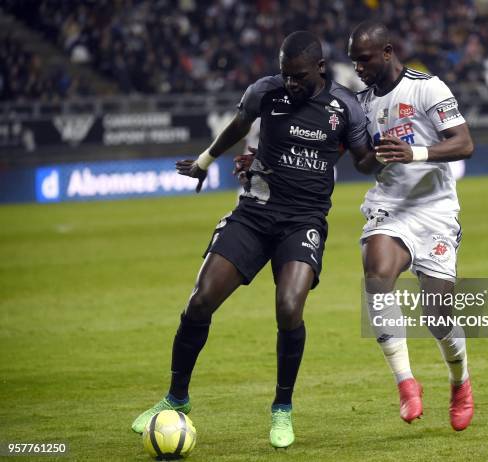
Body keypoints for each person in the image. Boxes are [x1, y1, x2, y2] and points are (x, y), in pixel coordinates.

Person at [130, 31, 379, 448]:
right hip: (254, 214)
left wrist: (385, 153)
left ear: (319, 68)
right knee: (200, 300)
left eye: (298, 76)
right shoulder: (265, 92)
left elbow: (363, 161)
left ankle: (282, 408)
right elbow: (239, 124)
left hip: (303, 221)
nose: (291, 83)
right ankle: (176, 397)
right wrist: (206, 160)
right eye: (285, 74)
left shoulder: (345, 107)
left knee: (288, 308)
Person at [347, 21, 475, 431]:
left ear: (387, 51)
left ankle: (460, 382)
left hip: (435, 207)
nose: (358, 68)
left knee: (437, 314)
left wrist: (414, 153)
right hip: (390, 205)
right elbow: (362, 161)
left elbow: (464, 142)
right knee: (377, 272)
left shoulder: (427, 87)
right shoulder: (361, 102)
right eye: (353, 61)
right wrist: (377, 158)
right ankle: (406, 383)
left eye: (364, 59)